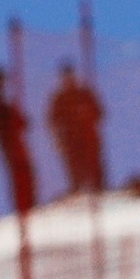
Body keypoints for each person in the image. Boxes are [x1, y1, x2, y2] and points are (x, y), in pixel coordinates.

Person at [47, 60, 107, 194]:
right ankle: (79, 195)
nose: (69, 80)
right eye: (66, 77)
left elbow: (100, 113)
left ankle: (100, 192)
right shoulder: (60, 99)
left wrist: (86, 116)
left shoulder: (85, 94)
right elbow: (52, 122)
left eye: (71, 76)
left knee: (95, 172)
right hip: (72, 142)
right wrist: (58, 140)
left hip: (89, 139)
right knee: (76, 173)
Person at [0, 67, 37, 217]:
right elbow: (8, 125)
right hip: (9, 146)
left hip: (15, 144)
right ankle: (25, 208)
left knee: (25, 174)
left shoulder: (4, 102)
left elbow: (24, 123)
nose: (0, 84)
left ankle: (28, 206)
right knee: (20, 175)